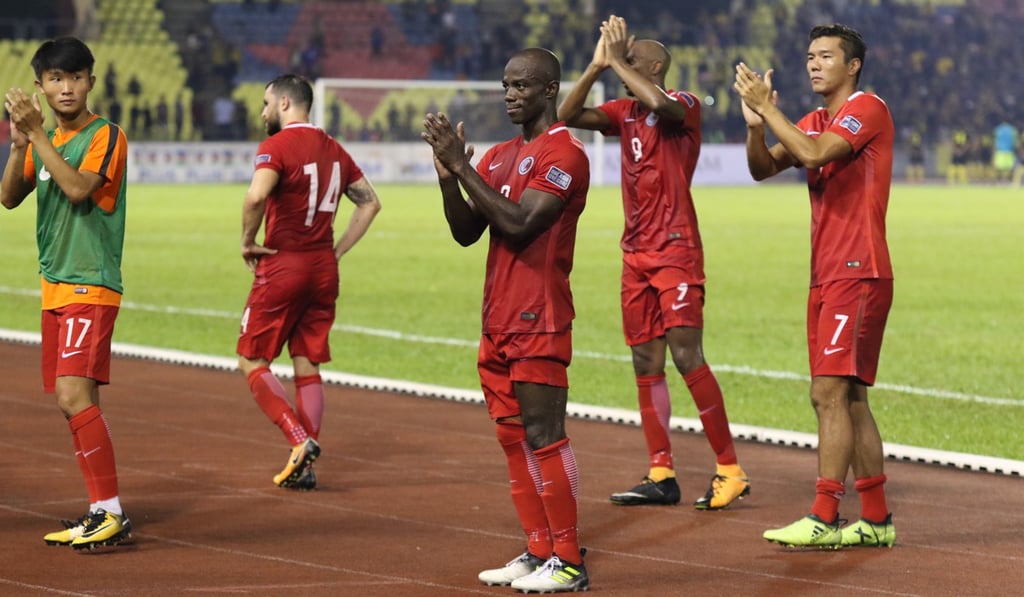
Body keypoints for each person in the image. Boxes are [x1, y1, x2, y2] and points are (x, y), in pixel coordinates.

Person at [558, 15, 749, 510]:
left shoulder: (682, 103)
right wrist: (599, 65)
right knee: (645, 361)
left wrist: (618, 64)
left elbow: (661, 103)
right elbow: (568, 113)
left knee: (687, 356)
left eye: (633, 56)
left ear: (656, 65)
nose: (626, 60)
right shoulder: (624, 111)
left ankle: (730, 469)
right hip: (635, 253)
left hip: (676, 249)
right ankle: (661, 472)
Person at [422, 48, 590, 592]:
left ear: (549, 90)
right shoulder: (497, 156)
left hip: (539, 316)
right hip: (497, 318)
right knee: (512, 439)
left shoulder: (566, 153)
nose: (510, 94)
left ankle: (568, 561)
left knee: (545, 436)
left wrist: (463, 166)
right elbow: (467, 232)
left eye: (522, 85)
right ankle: (539, 550)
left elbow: (519, 224)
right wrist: (451, 177)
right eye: (505, 84)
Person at [734, 23, 896, 548]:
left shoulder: (867, 108)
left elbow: (812, 154)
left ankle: (825, 515)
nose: (813, 64)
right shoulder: (814, 119)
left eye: (826, 56)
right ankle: (875, 519)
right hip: (826, 275)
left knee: (827, 392)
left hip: (858, 270)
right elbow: (764, 169)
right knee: (848, 399)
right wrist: (757, 125)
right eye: (809, 56)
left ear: (853, 66)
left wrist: (772, 110)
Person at [1, 36, 132, 550]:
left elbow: (78, 188)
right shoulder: (43, 139)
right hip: (55, 284)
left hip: (89, 280)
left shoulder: (106, 135)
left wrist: (39, 137)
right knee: (76, 399)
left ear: (91, 82)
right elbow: (9, 197)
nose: (66, 87)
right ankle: (103, 508)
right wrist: (19, 144)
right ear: (40, 86)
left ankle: (111, 510)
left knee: (71, 394)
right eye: (55, 78)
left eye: (76, 77)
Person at [237, 74, 381, 491]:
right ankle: (306, 463)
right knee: (306, 363)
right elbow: (371, 202)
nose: (262, 112)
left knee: (251, 359)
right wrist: (336, 252)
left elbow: (255, 197)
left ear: (284, 103)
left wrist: (248, 241)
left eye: (266, 104)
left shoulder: (276, 147)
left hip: (284, 263)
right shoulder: (335, 149)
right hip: (322, 268)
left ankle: (298, 440)